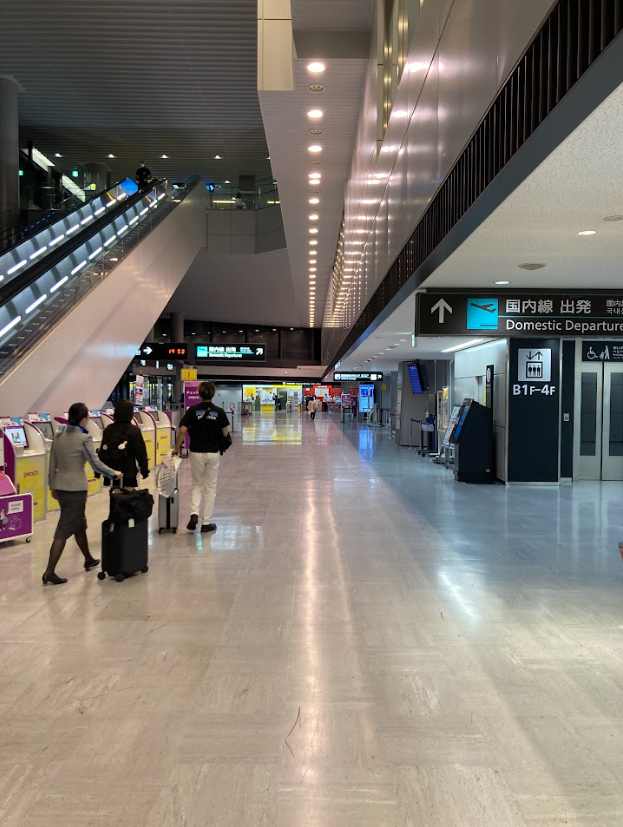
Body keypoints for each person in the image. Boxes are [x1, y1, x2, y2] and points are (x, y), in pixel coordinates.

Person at [43, 403, 121, 585]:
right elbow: (96, 464)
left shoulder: (58, 436)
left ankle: (88, 559)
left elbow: (52, 464)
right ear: (84, 419)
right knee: (63, 529)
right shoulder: (83, 438)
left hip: (61, 488)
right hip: (75, 489)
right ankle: (49, 572)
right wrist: (113, 473)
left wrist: (52, 486)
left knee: (79, 523)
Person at [173, 381, 230, 533]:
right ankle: (206, 523)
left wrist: (176, 448)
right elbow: (225, 434)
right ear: (212, 393)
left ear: (199, 393)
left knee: (197, 485)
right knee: (210, 487)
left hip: (196, 452)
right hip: (213, 452)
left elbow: (182, 431)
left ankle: (193, 514)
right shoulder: (219, 412)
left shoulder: (192, 411)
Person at [99, 400, 149, 489]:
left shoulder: (109, 429)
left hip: (111, 470)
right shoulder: (134, 430)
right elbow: (140, 452)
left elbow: (103, 451)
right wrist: (144, 470)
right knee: (128, 498)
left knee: (114, 496)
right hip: (128, 471)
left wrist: (98, 472)